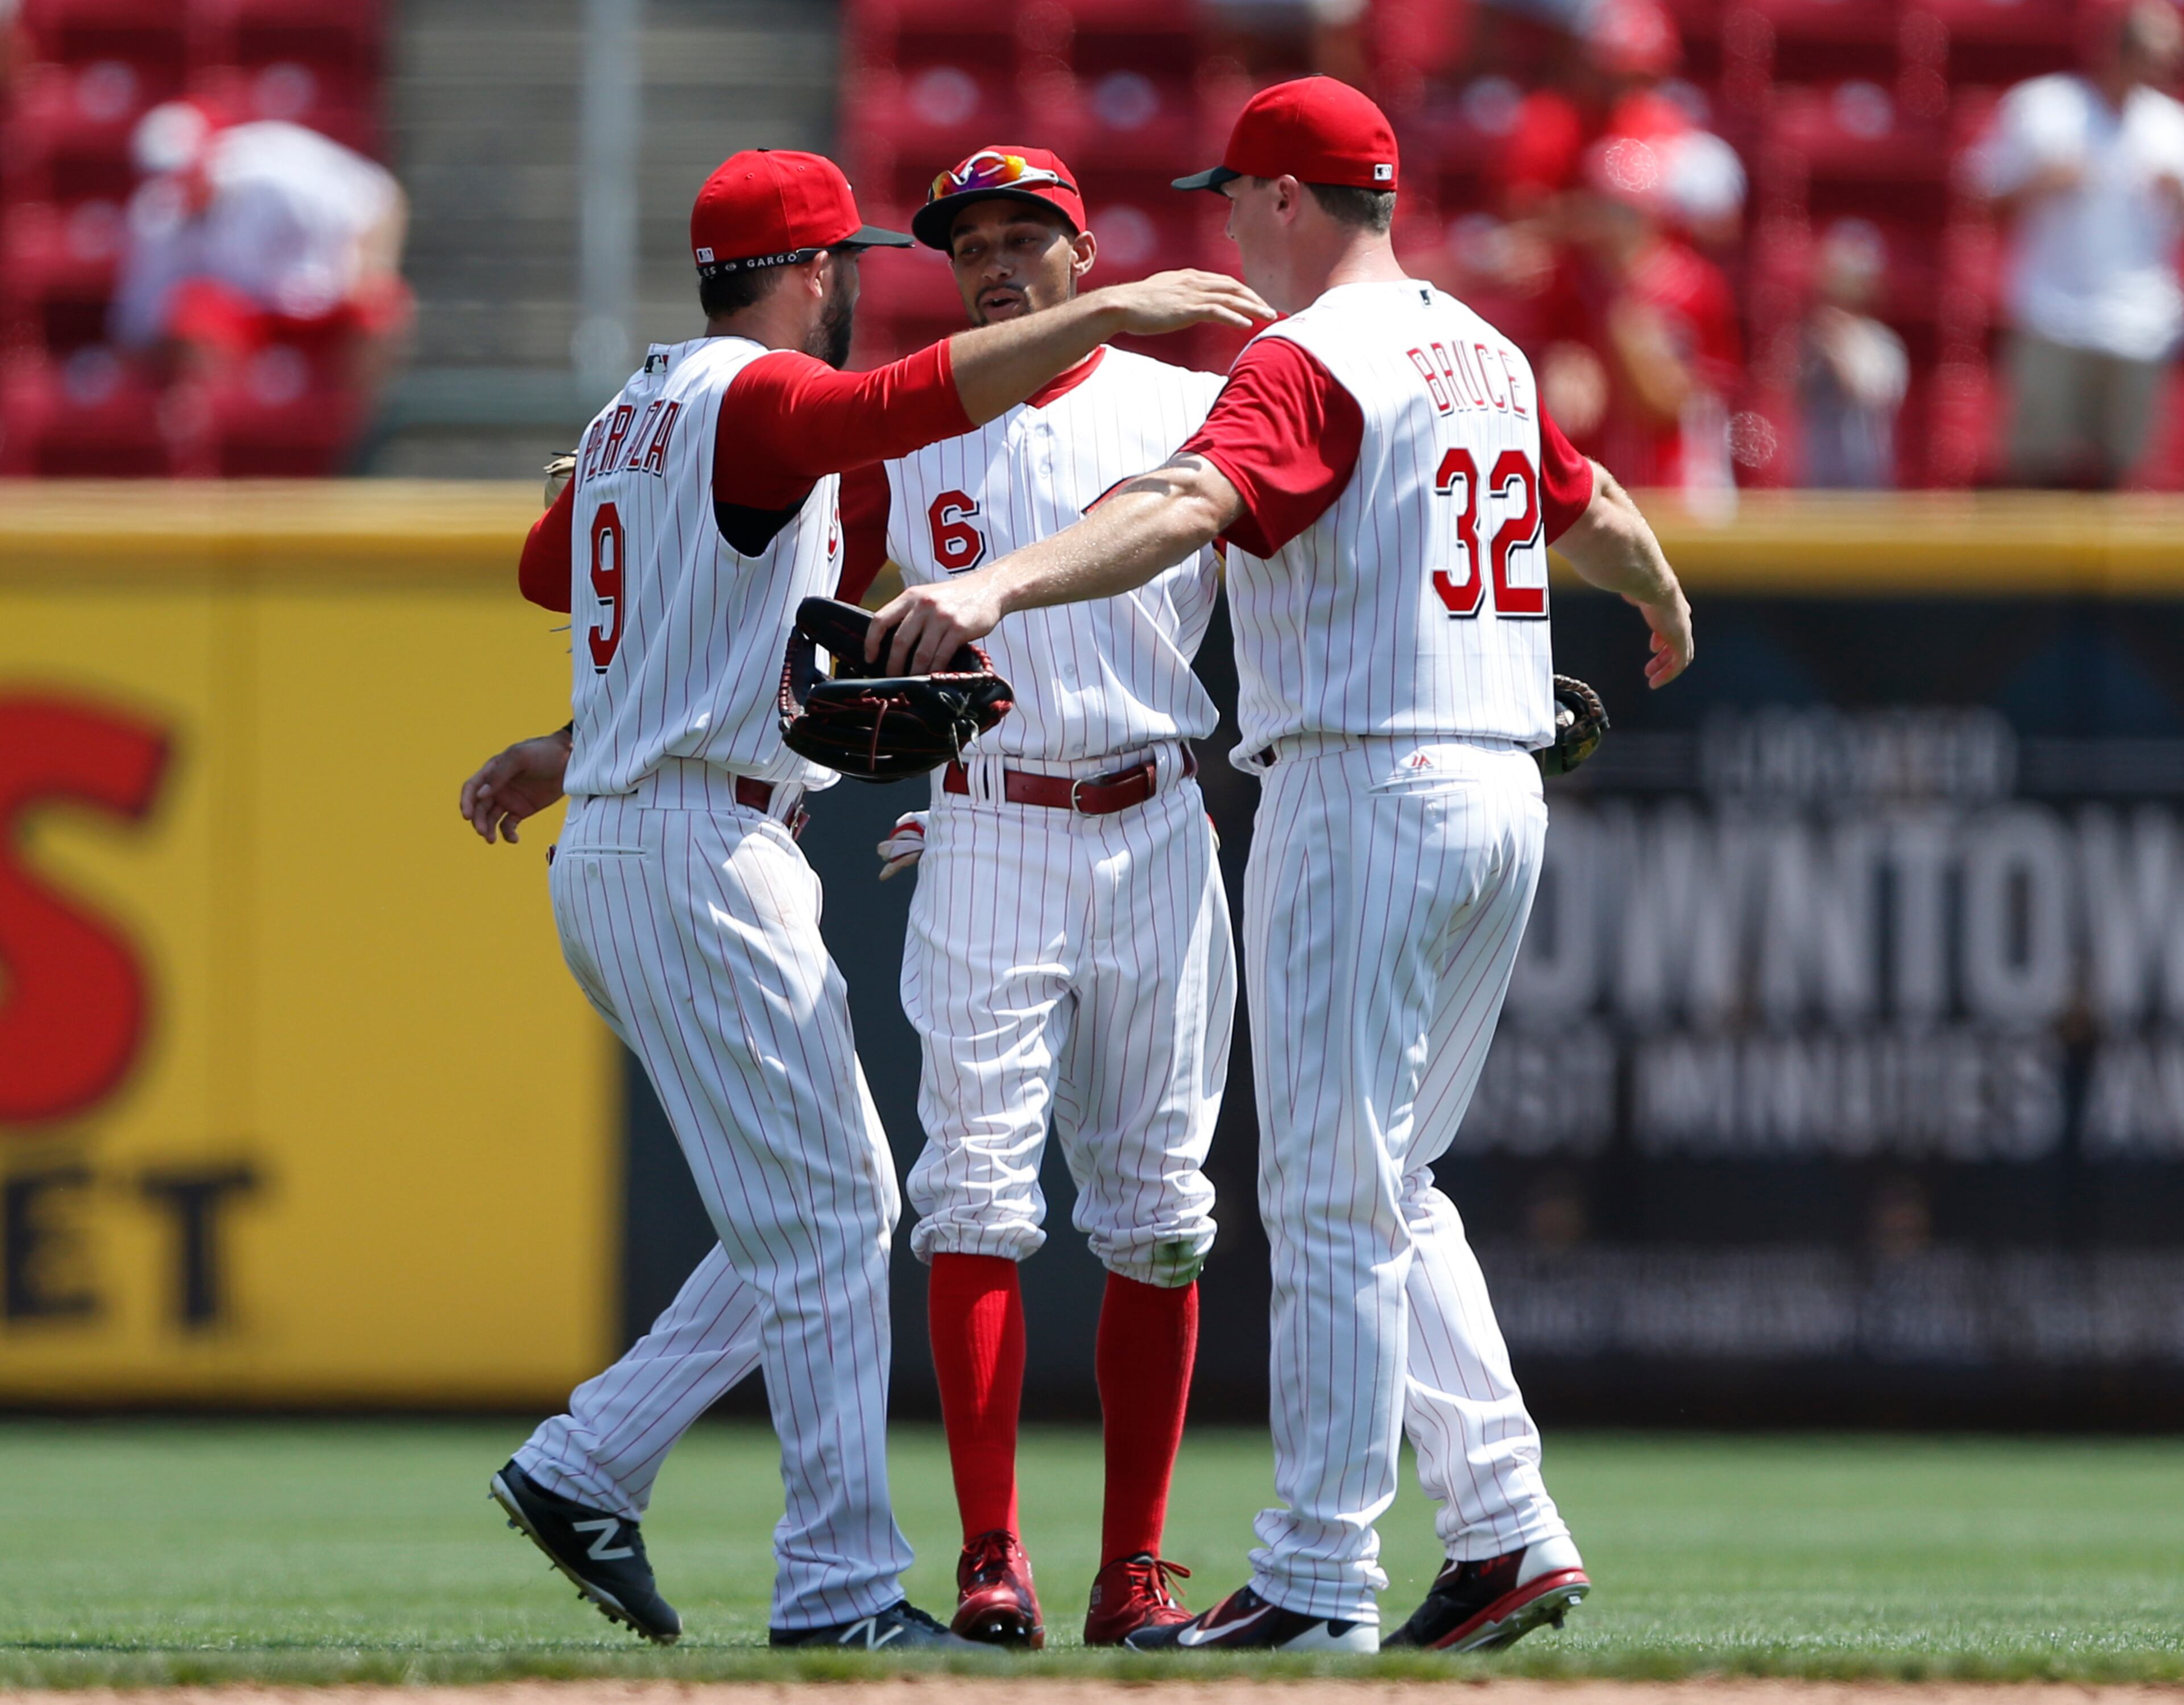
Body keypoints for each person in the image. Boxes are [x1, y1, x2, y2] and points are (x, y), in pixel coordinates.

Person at [869, 75, 1694, 1653]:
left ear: (1291, 202)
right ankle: (1508, 1522)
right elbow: (1589, 509)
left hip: (1366, 783)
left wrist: (1001, 588)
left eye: (1239, 192)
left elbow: (1189, 498)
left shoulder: (1309, 355)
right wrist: (1663, 606)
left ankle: (1320, 1573)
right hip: (1501, 781)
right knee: (1395, 1179)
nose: (1228, 219)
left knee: (1325, 1189)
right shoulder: (1486, 346)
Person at [456, 147, 1267, 1650]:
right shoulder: (761, 399)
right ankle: (835, 1594)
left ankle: (587, 1462)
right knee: (842, 1215)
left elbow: (545, 570)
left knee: (817, 1214)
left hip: (655, 830)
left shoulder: (644, 404)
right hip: (702, 840)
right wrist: (1127, 305)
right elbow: (892, 407)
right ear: (815, 270)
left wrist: (582, 708)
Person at [1977, 0, 2184, 488]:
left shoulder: (2173, 126)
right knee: (2033, 472)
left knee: (2123, 475)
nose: (2160, 66)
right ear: (2114, 49)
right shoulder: (2044, 107)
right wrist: (2040, 184)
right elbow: (1985, 200)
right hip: (2054, 316)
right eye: (2150, 52)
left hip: (2141, 325)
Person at [109, 100, 411, 394]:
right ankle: (228, 434)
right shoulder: (155, 216)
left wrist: (372, 274)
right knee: (193, 321)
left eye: (185, 173)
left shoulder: (273, 171)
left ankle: (360, 433)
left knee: (382, 309)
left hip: (329, 300)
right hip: (245, 319)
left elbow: (381, 201)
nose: (177, 186)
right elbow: (137, 326)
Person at [1797, 219, 1908, 490]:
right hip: (1815, 485)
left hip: (1865, 484)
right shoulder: (1812, 340)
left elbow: (1867, 393)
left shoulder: (1882, 343)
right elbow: (1789, 393)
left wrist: (1839, 346)